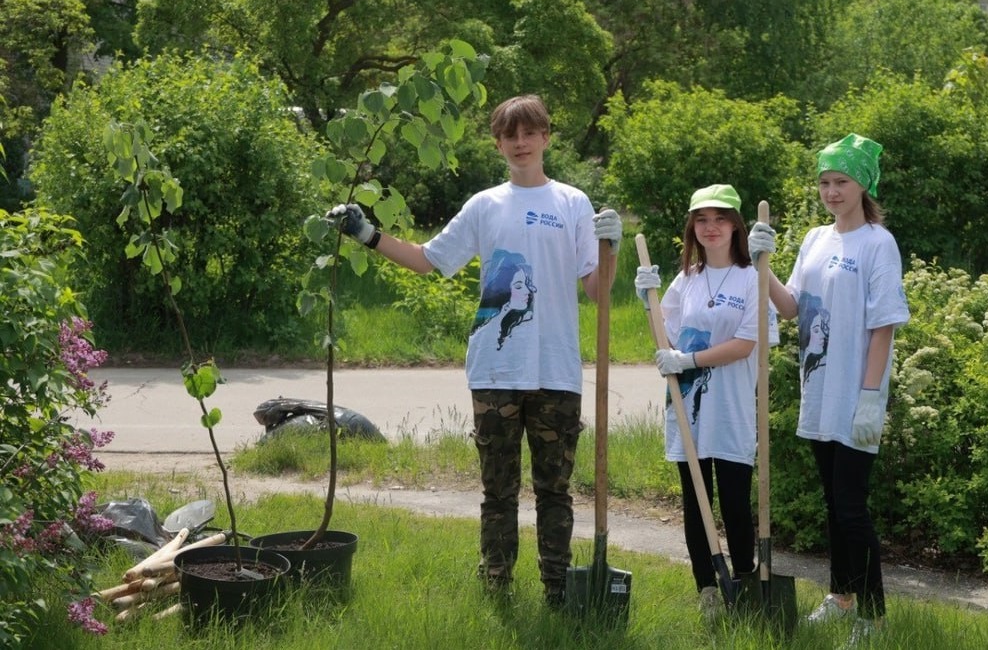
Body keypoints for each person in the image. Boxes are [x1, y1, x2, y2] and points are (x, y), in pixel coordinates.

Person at [327, 94, 621, 608]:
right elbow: (427, 260)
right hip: (495, 367)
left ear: (547, 138)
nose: (521, 143)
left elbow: (597, 290)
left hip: (556, 370)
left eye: (530, 133)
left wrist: (609, 249)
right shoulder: (485, 205)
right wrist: (367, 234)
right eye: (510, 135)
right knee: (498, 491)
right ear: (498, 144)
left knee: (555, 492)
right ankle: (497, 587)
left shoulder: (573, 203)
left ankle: (558, 590)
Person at [747, 133, 910, 647]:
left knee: (851, 506)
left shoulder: (878, 243)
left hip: (856, 393)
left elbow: (883, 325)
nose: (832, 191)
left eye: (841, 181)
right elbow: (791, 306)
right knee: (832, 502)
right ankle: (841, 596)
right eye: (824, 182)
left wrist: (869, 396)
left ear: (864, 184)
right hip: (819, 390)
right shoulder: (817, 239)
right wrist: (762, 265)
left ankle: (875, 616)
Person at [633, 184, 778, 619]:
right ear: (692, 228)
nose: (710, 228)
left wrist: (689, 358)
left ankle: (746, 582)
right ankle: (708, 591)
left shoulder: (754, 278)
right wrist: (648, 303)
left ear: (735, 226)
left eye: (719, 219)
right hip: (686, 406)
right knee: (696, 501)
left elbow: (746, 344)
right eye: (701, 220)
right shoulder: (686, 280)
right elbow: (666, 340)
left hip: (731, 409)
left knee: (734, 502)